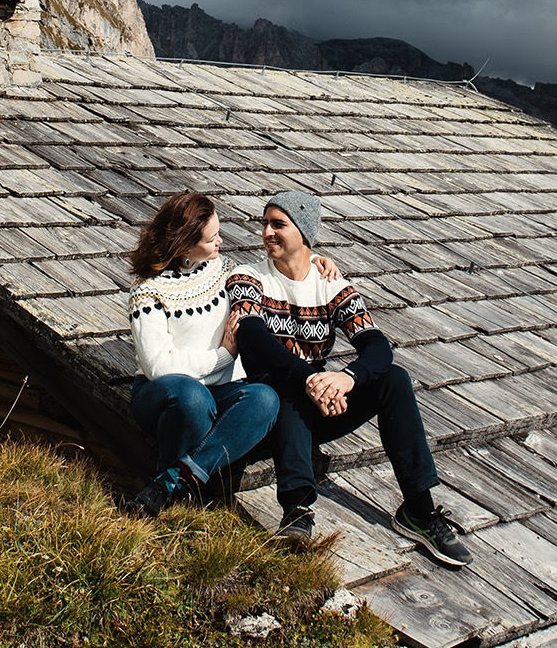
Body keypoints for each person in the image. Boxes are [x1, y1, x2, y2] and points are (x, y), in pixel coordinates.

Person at [228, 189, 472, 568]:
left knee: (394, 379)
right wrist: (310, 379)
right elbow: (253, 341)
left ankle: (419, 510)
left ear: (305, 234)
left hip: (319, 404)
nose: (267, 233)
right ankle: (297, 510)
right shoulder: (248, 277)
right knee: (286, 383)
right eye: (265, 224)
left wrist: (346, 379)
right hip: (264, 409)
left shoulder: (332, 285)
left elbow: (377, 347)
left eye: (278, 225)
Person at [121, 191, 339, 517]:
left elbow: (273, 277)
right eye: (211, 239)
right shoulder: (149, 292)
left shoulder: (225, 271)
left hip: (219, 392)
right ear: (183, 245)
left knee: (265, 398)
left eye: (218, 233)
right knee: (194, 398)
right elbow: (160, 367)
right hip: (164, 394)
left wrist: (313, 262)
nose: (220, 242)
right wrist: (225, 355)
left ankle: (170, 483)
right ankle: (183, 492)